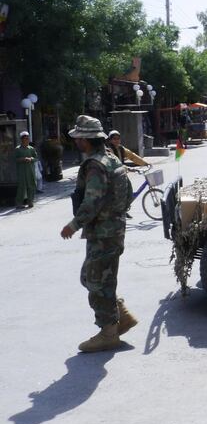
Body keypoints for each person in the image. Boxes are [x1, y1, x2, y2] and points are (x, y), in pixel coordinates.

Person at [60, 115, 137, 353]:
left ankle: (108, 333)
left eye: (79, 138)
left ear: (87, 139)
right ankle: (119, 316)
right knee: (93, 278)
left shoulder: (95, 164)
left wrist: (73, 225)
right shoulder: (112, 158)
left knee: (97, 281)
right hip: (111, 229)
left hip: (104, 232)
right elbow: (127, 194)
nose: (76, 142)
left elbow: (92, 201)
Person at [14, 131, 37, 209]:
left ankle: (30, 201)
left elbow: (36, 157)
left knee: (31, 186)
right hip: (22, 171)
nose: (27, 140)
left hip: (30, 170)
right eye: (26, 138)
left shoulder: (31, 148)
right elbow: (15, 159)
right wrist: (23, 159)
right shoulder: (18, 149)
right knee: (21, 187)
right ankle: (19, 203)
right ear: (22, 139)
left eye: (28, 138)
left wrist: (31, 159)